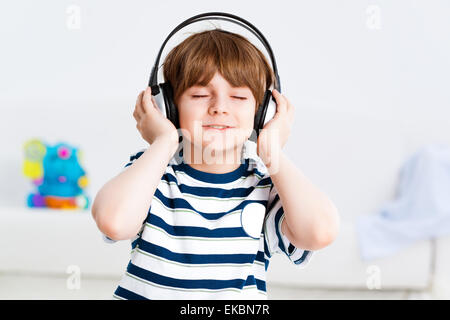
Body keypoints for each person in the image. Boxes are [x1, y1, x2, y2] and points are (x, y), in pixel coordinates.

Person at [91, 29, 340, 300]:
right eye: (199, 95)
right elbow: (113, 222)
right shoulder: (153, 173)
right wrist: (163, 142)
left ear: (262, 112)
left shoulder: (266, 189)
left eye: (239, 97)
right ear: (168, 107)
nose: (219, 107)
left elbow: (320, 232)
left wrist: (272, 152)